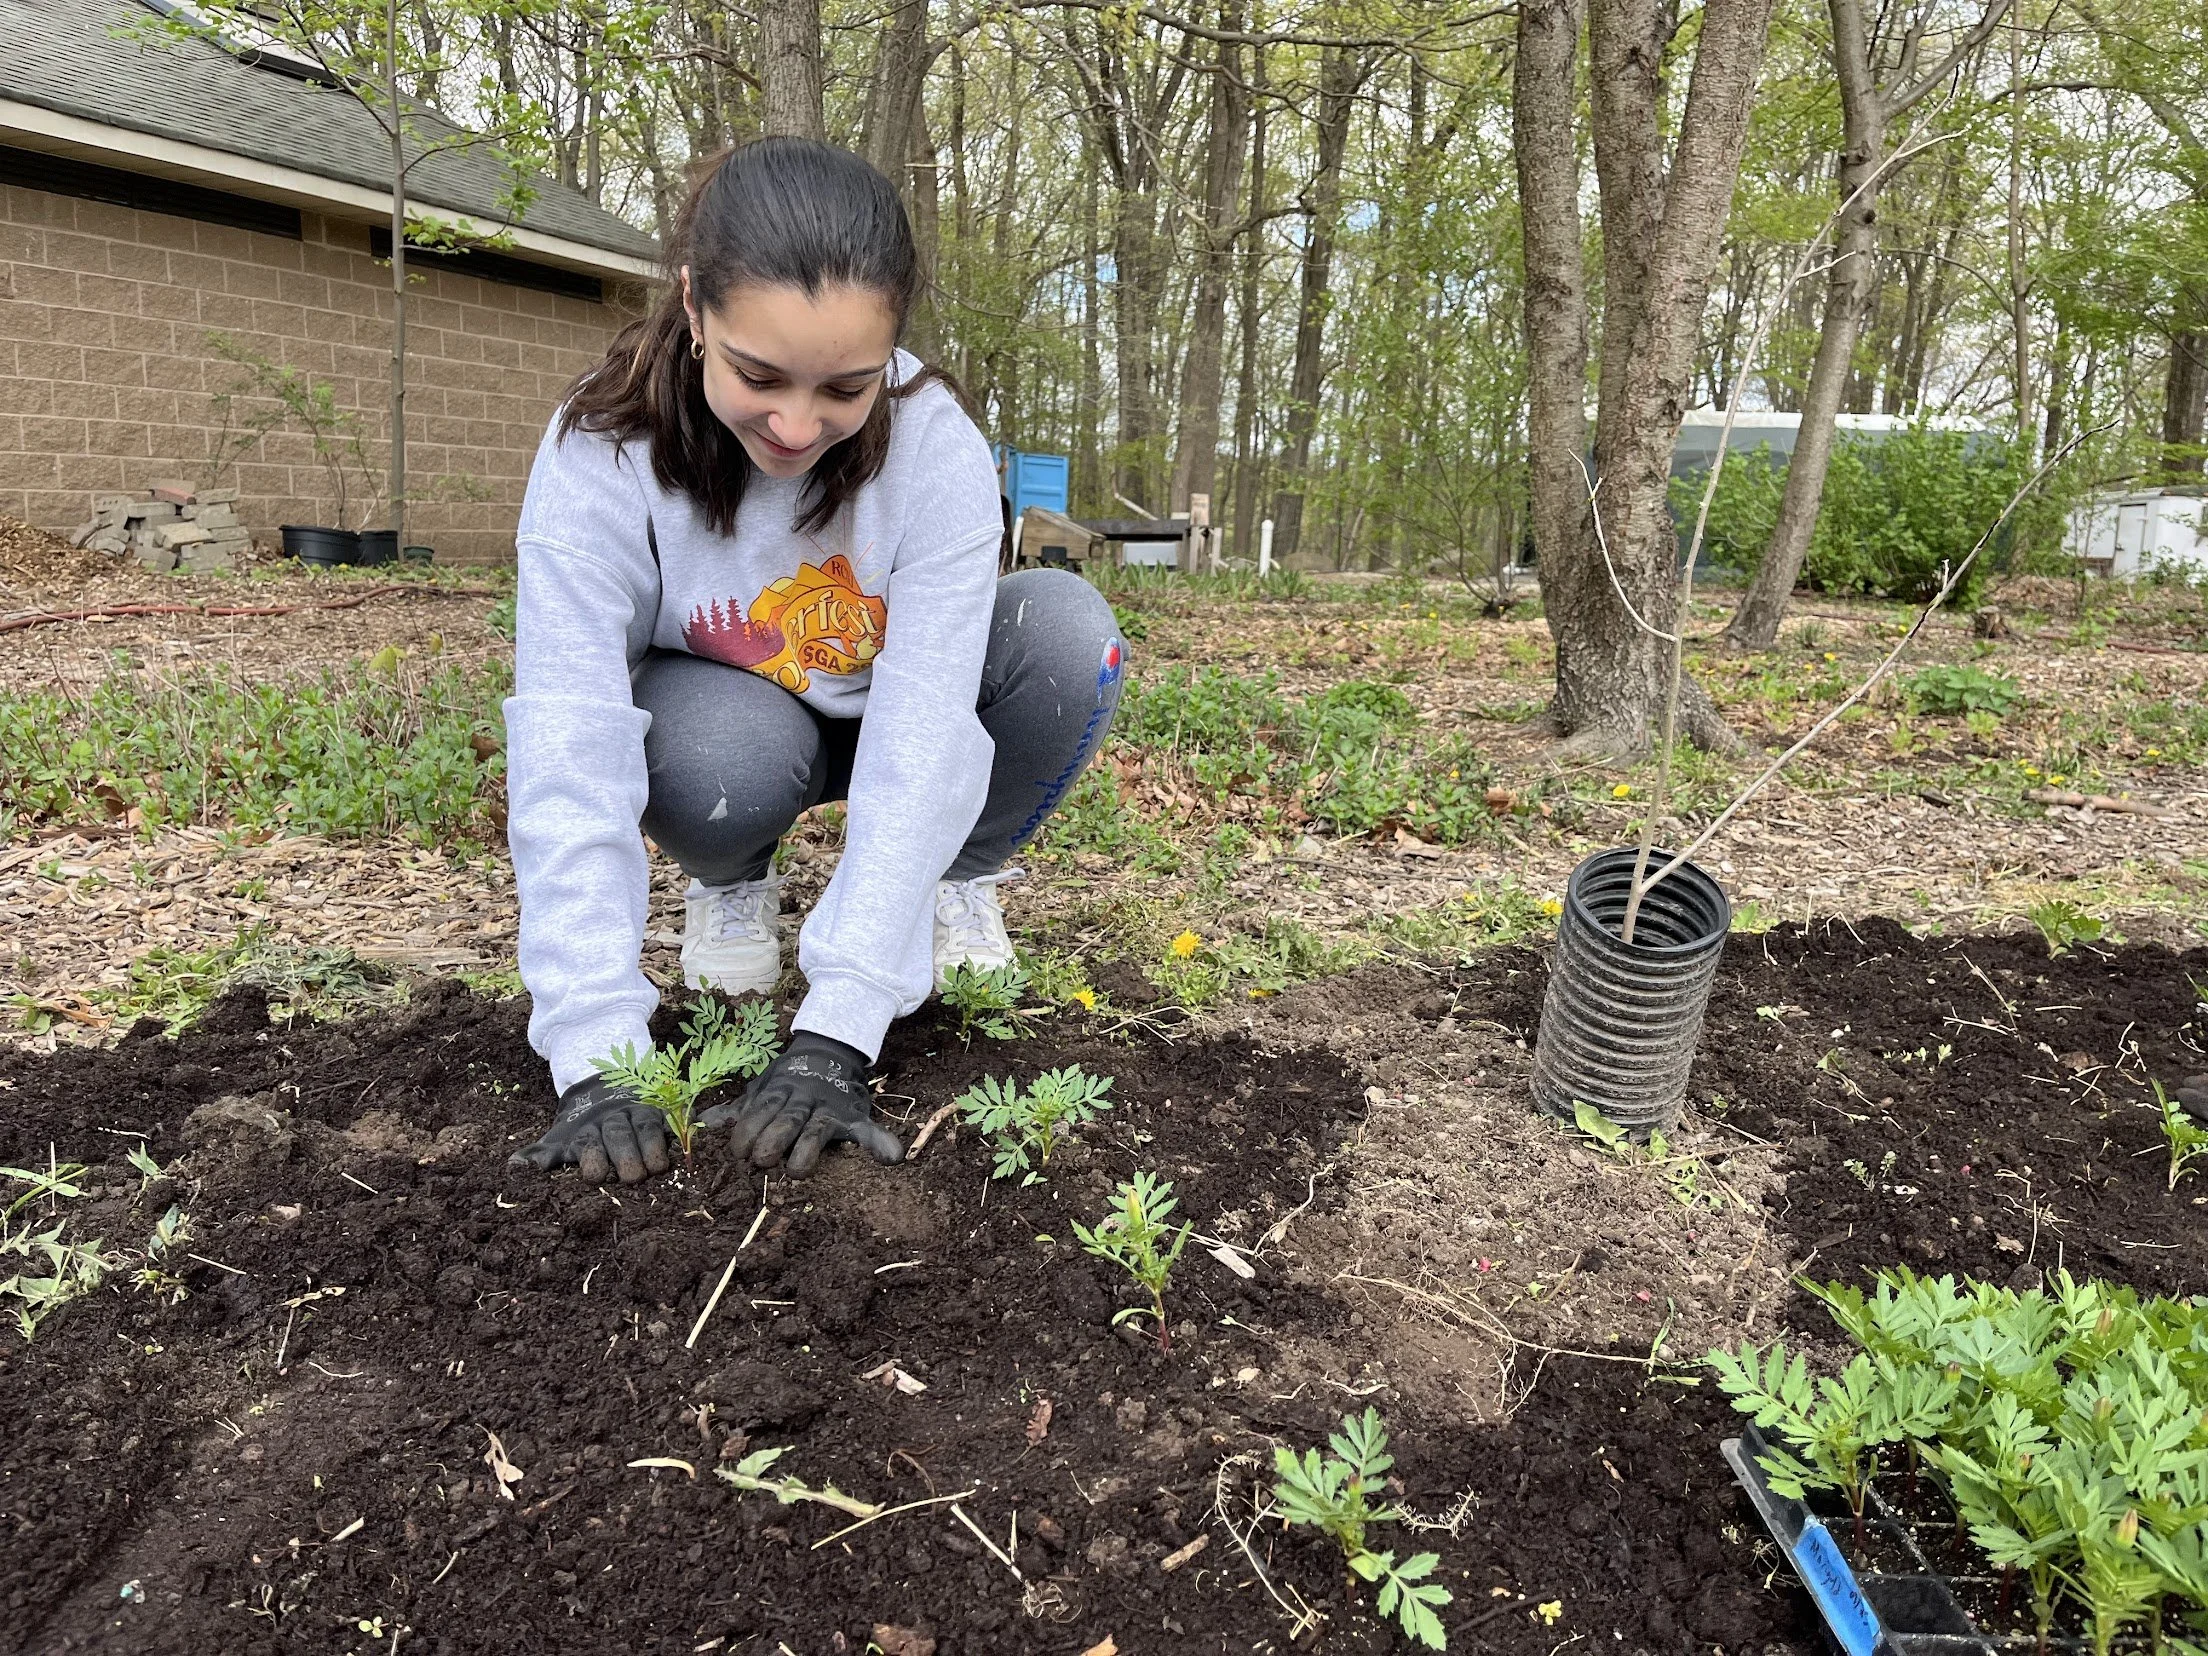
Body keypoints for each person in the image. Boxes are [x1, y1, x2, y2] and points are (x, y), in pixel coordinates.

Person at [502, 138, 1124, 1187]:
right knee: (721, 754)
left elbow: (925, 729)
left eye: (846, 385)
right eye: (758, 375)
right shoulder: (600, 452)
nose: (797, 425)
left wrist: (840, 1026)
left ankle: (951, 879)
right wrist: (594, 1048)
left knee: (1068, 633)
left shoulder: (936, 450)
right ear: (695, 307)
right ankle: (733, 877)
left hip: (888, 703)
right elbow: (571, 737)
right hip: (736, 721)